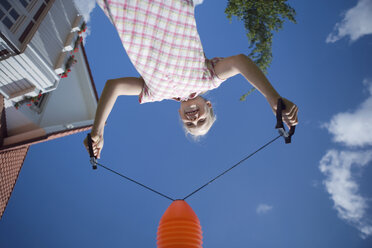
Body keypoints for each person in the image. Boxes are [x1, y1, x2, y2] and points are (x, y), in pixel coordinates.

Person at [84, 0, 298, 158]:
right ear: (208, 104)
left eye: (189, 123)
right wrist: (273, 97)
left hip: (126, 9)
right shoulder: (209, 79)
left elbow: (114, 86)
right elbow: (239, 62)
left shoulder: (154, 93)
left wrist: (98, 130)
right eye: (202, 120)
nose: (194, 119)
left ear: (179, 114)